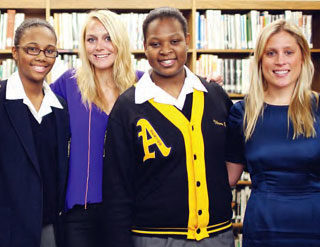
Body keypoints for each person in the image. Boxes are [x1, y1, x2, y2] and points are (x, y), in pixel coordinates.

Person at [102, 7, 234, 247]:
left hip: (218, 236)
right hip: (152, 238)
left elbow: (233, 160)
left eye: (175, 41)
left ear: (187, 41)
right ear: (144, 47)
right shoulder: (127, 107)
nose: (165, 51)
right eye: (155, 44)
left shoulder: (215, 97)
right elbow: (116, 188)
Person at [226, 19, 320, 246]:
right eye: (271, 53)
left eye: (288, 52)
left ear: (302, 57)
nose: (280, 61)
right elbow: (226, 179)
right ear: (260, 60)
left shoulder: (318, 108)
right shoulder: (242, 113)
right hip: (263, 228)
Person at [0, 18, 70, 247]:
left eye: (50, 51)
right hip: (7, 228)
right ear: (15, 52)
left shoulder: (60, 107)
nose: (42, 57)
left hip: (50, 227)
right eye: (32, 49)